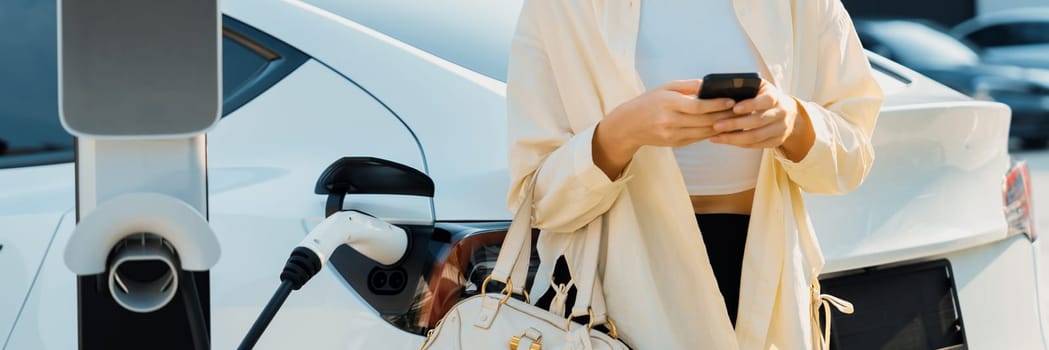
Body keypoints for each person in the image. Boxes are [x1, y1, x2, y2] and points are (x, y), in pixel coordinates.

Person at [505, 0, 883, 349]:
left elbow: (854, 156)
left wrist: (795, 122)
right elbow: (538, 203)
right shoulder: (561, 7)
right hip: (621, 287)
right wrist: (621, 132)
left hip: (766, 277)